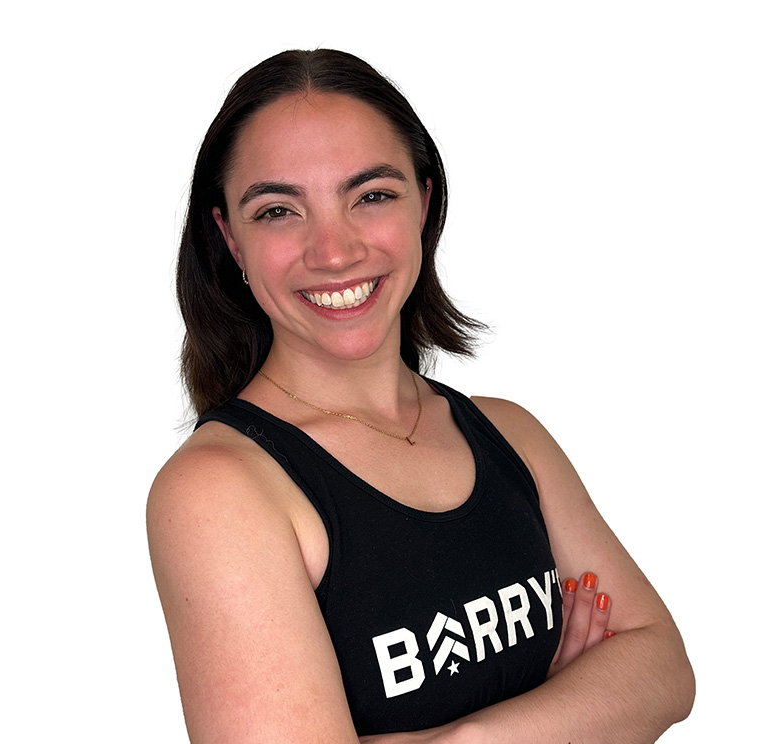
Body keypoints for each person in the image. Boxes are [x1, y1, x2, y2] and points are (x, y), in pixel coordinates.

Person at [148, 49, 694, 743]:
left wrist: (460, 739)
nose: (334, 251)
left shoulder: (510, 434)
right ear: (230, 238)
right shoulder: (217, 490)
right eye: (278, 211)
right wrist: (575, 709)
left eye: (372, 196)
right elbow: (625, 691)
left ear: (424, 203)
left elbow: (665, 668)